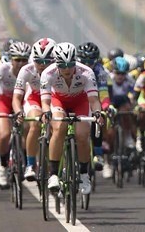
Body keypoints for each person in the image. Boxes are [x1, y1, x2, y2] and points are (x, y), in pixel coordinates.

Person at [41, 42, 104, 196]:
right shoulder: (48, 73)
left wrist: (97, 113)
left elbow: (94, 100)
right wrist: (46, 112)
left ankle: (83, 175)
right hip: (58, 101)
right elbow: (45, 101)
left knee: (82, 135)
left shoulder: (86, 72)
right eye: (62, 65)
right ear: (56, 63)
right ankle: (53, 175)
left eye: (70, 64)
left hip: (80, 102)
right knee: (58, 128)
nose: (67, 69)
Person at [0, 41, 31, 188]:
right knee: (4, 134)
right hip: (4, 101)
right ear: (11, 59)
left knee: (28, 130)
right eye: (17, 60)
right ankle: (3, 165)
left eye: (24, 60)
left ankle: (27, 162)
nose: (21, 63)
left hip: (22, 100)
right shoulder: (2, 69)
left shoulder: (31, 70)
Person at [13, 38, 56, 181]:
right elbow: (16, 97)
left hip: (53, 99)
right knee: (35, 124)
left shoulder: (60, 70)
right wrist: (19, 111)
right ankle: (30, 165)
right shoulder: (26, 69)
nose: (42, 65)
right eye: (38, 61)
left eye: (47, 61)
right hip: (34, 99)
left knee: (59, 126)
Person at [76, 42, 112, 174]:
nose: (87, 64)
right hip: (76, 98)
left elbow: (103, 91)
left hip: (93, 99)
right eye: (84, 61)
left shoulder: (100, 70)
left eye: (90, 61)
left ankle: (98, 153)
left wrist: (106, 106)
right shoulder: (74, 68)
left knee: (98, 118)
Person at [104, 56, 136, 178]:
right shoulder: (109, 79)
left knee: (127, 110)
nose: (120, 76)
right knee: (110, 134)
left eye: (123, 74)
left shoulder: (130, 80)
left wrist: (132, 99)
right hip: (111, 102)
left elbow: (134, 93)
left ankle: (127, 135)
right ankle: (107, 162)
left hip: (123, 103)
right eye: (118, 73)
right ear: (113, 72)